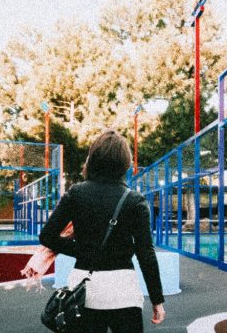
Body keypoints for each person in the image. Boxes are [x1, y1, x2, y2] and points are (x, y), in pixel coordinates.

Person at [39, 130, 165, 332]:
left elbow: (47, 236)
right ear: (125, 162)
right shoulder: (135, 200)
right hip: (123, 292)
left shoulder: (76, 193)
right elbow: (146, 254)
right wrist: (157, 300)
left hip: (83, 292)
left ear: (93, 159)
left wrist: (81, 250)